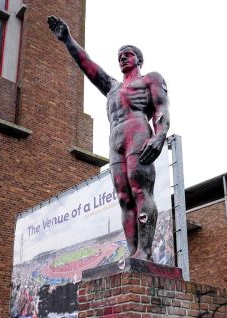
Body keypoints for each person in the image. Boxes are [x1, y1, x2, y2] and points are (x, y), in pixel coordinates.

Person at [47, 16, 170, 261]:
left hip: (137, 132)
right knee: (124, 197)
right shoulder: (112, 87)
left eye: (127, 54)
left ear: (138, 59)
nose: (122, 57)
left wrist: (160, 136)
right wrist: (67, 40)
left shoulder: (150, 79)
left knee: (140, 190)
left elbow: (161, 108)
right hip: (115, 139)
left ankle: (144, 252)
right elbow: (88, 65)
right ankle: (132, 250)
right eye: (119, 56)